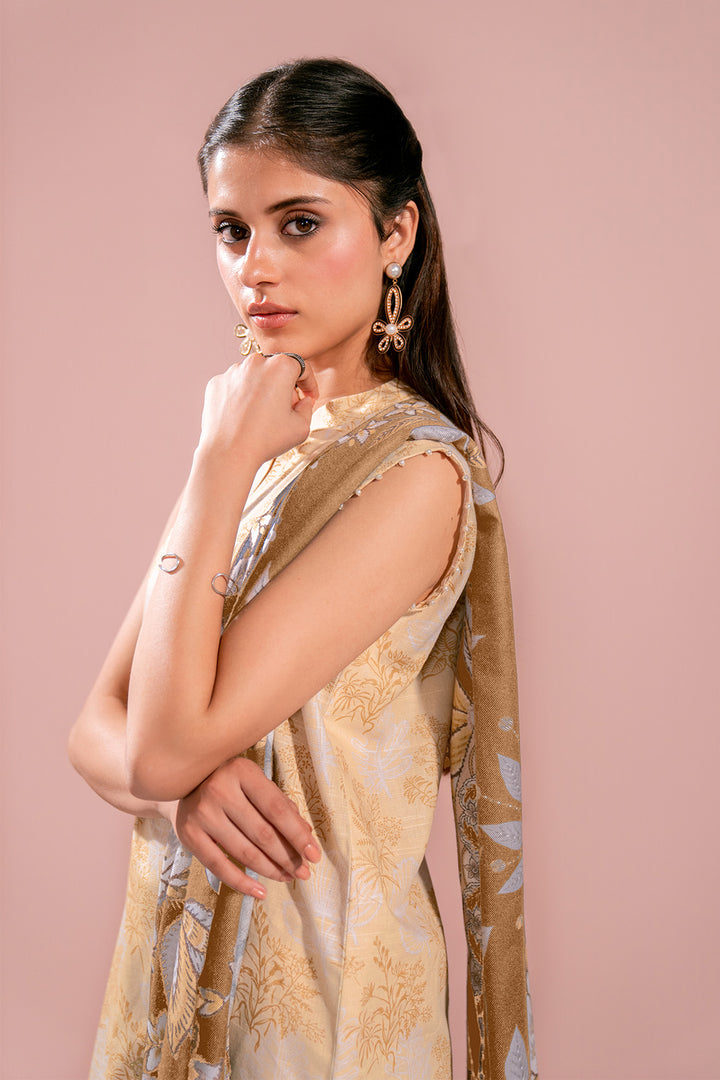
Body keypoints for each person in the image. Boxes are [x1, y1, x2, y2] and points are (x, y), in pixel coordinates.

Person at [69, 58, 537, 1080]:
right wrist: (185, 799)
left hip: (325, 1002)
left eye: (299, 223)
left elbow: (154, 746)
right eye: (231, 231)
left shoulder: (416, 475)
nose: (256, 268)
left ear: (397, 232)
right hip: (180, 973)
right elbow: (97, 726)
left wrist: (216, 463)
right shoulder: (256, 445)